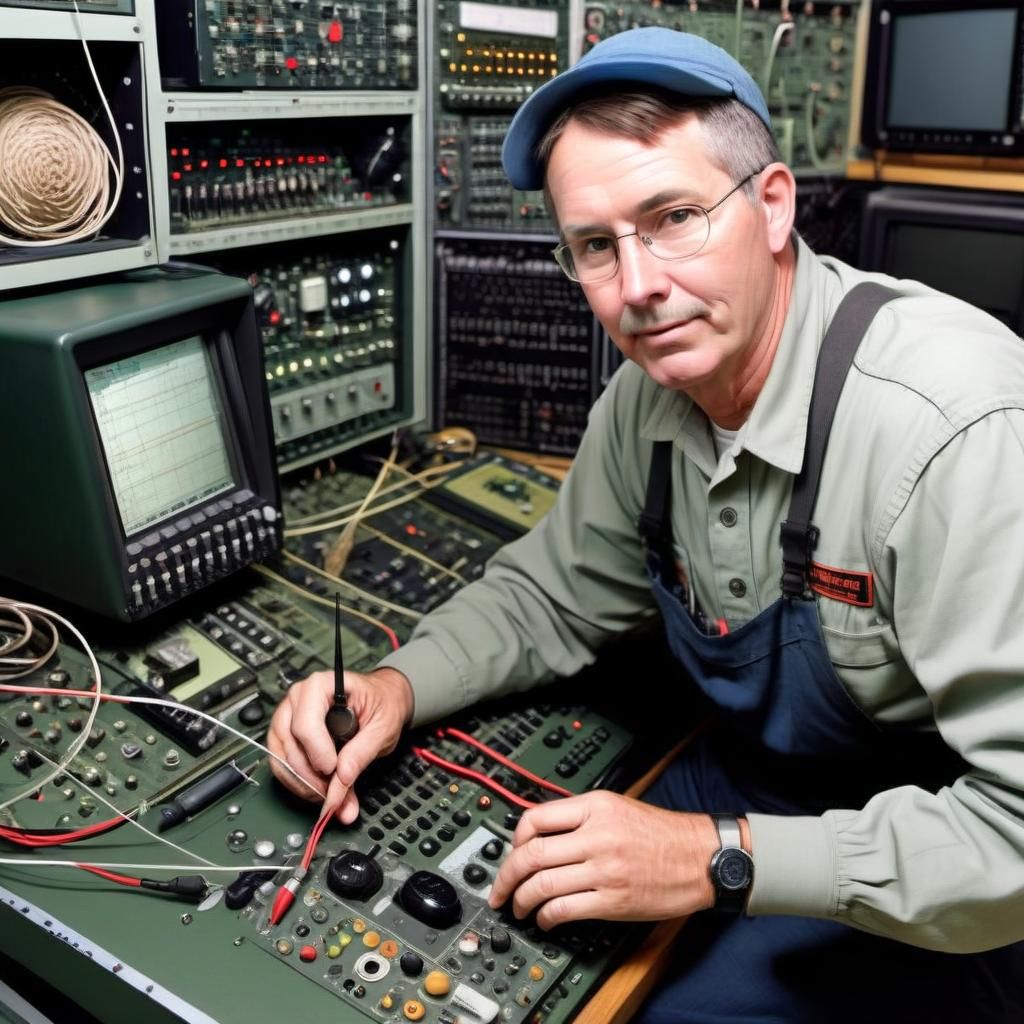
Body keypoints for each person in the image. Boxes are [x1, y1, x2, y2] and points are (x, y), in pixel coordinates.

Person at [269, 28, 1024, 1021]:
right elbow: (551, 593)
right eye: (594, 244)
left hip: (937, 861)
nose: (635, 288)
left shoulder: (958, 430)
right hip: (751, 774)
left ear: (771, 206)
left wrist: (718, 858)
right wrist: (397, 682)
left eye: (672, 217)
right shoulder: (643, 401)